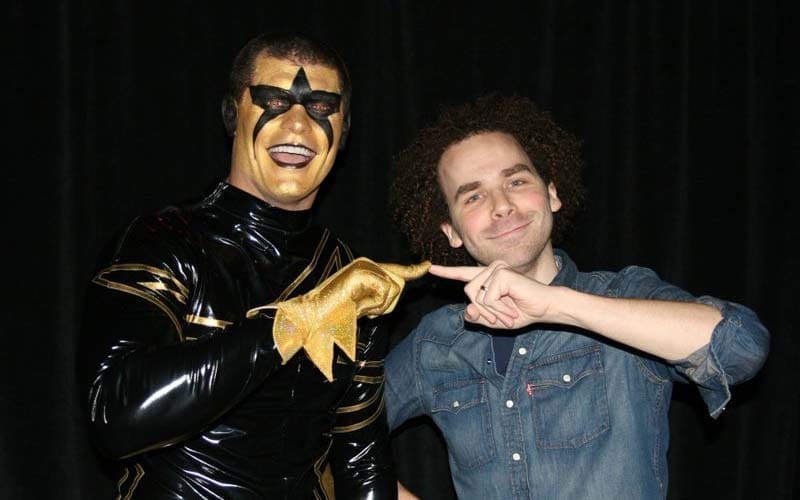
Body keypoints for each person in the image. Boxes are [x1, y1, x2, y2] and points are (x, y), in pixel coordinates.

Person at [79, 33, 426, 499]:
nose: (298, 124)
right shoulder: (164, 240)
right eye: (275, 101)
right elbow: (115, 418)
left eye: (321, 107)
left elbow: (361, 460)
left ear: (343, 132)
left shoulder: (345, 273)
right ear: (232, 114)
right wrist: (299, 320)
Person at [385, 95, 769, 499]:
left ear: (552, 194)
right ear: (452, 232)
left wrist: (556, 304)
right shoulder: (435, 343)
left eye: (516, 181)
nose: (502, 206)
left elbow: (741, 348)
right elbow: (342, 436)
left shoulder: (623, 295)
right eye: (473, 196)